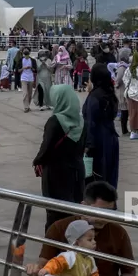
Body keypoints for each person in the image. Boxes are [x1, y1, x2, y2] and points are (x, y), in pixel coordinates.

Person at [33, 85, 86, 232]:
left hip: (56, 172)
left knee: (55, 212)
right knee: (74, 210)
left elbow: (46, 146)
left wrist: (37, 161)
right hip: (77, 170)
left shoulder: (55, 121)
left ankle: (53, 247)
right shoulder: (81, 122)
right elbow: (83, 147)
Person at [83, 64, 120, 188]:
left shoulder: (94, 96)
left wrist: (88, 145)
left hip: (98, 139)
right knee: (110, 174)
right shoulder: (109, 93)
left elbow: (91, 121)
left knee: (97, 175)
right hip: (111, 136)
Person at [113, 49, 131, 136]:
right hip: (121, 90)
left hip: (124, 89)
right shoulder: (122, 67)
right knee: (124, 110)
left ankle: (125, 129)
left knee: (125, 111)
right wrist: (116, 84)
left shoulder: (124, 66)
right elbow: (118, 79)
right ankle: (124, 130)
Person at [20, 48, 36, 113]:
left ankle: (28, 105)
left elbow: (35, 70)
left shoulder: (32, 60)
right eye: (25, 54)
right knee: (25, 93)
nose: (26, 56)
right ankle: (26, 107)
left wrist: (31, 68)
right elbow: (18, 70)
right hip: (23, 78)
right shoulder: (21, 60)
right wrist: (23, 68)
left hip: (30, 78)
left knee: (30, 94)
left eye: (27, 54)